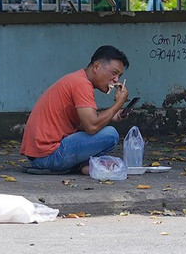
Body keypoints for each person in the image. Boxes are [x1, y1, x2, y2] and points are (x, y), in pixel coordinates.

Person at [21, 45, 131, 174]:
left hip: (39, 156)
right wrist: (119, 103)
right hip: (48, 155)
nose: (116, 80)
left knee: (105, 138)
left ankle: (83, 166)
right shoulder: (82, 84)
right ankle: (79, 165)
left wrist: (113, 114)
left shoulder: (78, 79)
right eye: (114, 73)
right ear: (96, 66)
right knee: (110, 134)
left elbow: (85, 123)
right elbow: (91, 126)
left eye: (119, 75)